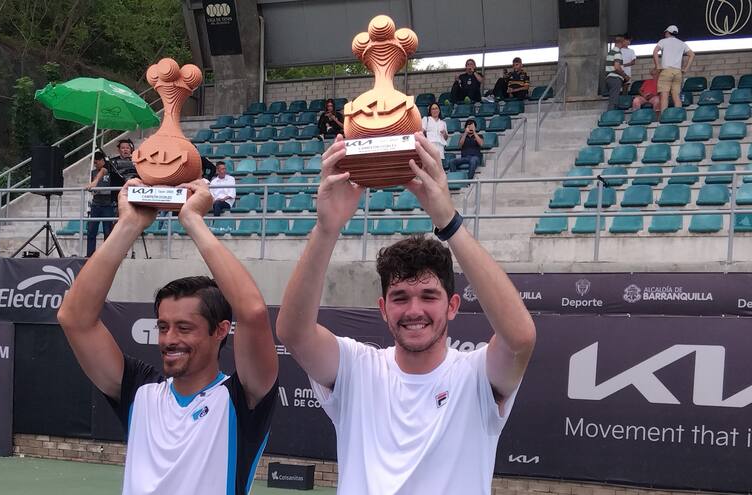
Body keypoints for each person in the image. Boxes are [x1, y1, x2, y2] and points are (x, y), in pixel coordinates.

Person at [275, 132, 536, 494]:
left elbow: (520, 338)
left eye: (429, 296)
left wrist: (449, 221)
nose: (414, 310)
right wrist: (326, 228)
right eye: (400, 297)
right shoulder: (356, 368)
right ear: (383, 309)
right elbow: (293, 333)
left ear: (453, 305)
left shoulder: (476, 375)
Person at [57, 178, 278, 495]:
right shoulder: (140, 392)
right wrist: (128, 225)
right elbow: (74, 318)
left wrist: (192, 220)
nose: (169, 339)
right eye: (163, 327)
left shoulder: (243, 396)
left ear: (220, 330)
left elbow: (253, 311)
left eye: (184, 328)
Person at [654, 25, 695, 114]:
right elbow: (692, 55)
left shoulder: (663, 41)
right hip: (677, 72)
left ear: (668, 32)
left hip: (666, 71)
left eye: (665, 32)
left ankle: (664, 117)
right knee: (676, 96)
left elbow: (655, 52)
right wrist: (685, 69)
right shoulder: (681, 43)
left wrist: (658, 65)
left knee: (664, 95)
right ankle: (678, 115)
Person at [84, 151, 115, 258]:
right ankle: (90, 255)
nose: (95, 165)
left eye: (97, 162)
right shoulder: (93, 172)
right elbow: (93, 184)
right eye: (94, 163)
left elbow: (103, 171)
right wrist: (92, 188)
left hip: (108, 204)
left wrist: (95, 182)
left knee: (108, 231)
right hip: (96, 204)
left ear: (102, 160)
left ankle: (107, 255)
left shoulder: (110, 169)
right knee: (91, 231)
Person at [605, 35, 629, 111]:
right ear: (622, 42)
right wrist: (625, 76)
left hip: (609, 78)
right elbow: (617, 67)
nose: (627, 43)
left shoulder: (611, 52)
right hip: (615, 79)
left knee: (613, 99)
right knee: (613, 101)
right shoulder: (617, 53)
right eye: (625, 41)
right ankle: (610, 117)